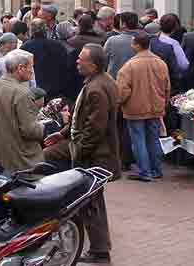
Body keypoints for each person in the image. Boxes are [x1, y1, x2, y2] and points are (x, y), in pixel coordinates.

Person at [43, 43, 121, 263]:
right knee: (91, 202)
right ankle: (99, 248)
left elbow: (94, 129)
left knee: (91, 203)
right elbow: (81, 119)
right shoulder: (97, 82)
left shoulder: (97, 88)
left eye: (81, 59)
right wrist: (63, 133)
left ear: (94, 66)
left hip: (95, 156)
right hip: (92, 151)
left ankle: (99, 251)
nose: (77, 61)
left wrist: (78, 153)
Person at [0, 50, 44, 172]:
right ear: (20, 68)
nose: (32, 71)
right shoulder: (23, 93)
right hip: (17, 162)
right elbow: (30, 131)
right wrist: (43, 126)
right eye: (31, 67)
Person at [116, 33, 169, 182]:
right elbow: (167, 87)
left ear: (137, 45)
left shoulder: (129, 66)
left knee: (138, 140)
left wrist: (118, 104)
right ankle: (156, 169)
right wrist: (163, 103)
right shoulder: (160, 63)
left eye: (133, 43)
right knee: (153, 138)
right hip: (155, 107)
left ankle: (145, 171)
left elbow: (122, 91)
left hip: (135, 108)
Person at [21, 19, 69, 104]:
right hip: (55, 91)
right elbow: (65, 68)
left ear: (31, 31)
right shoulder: (58, 46)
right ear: (45, 30)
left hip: (34, 92)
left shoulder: (25, 48)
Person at [104, 11, 140, 79]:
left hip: (115, 79)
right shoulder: (144, 40)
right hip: (136, 80)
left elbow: (103, 60)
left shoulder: (112, 40)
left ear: (124, 24)